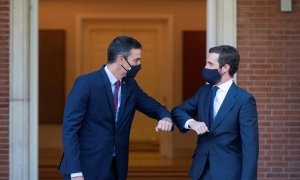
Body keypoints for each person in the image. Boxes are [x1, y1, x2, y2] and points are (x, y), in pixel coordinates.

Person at [58, 35, 173, 180]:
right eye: (136, 60)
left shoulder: (131, 86)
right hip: (85, 168)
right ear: (120, 59)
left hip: (116, 168)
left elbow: (155, 107)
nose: (139, 64)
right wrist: (75, 172)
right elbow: (70, 129)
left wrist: (165, 118)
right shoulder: (86, 83)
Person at [172, 45, 259, 180]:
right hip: (200, 172)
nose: (206, 67)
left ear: (225, 68)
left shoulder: (244, 100)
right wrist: (191, 123)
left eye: (210, 64)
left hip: (228, 173)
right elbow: (178, 111)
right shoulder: (204, 91)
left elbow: (250, 147)